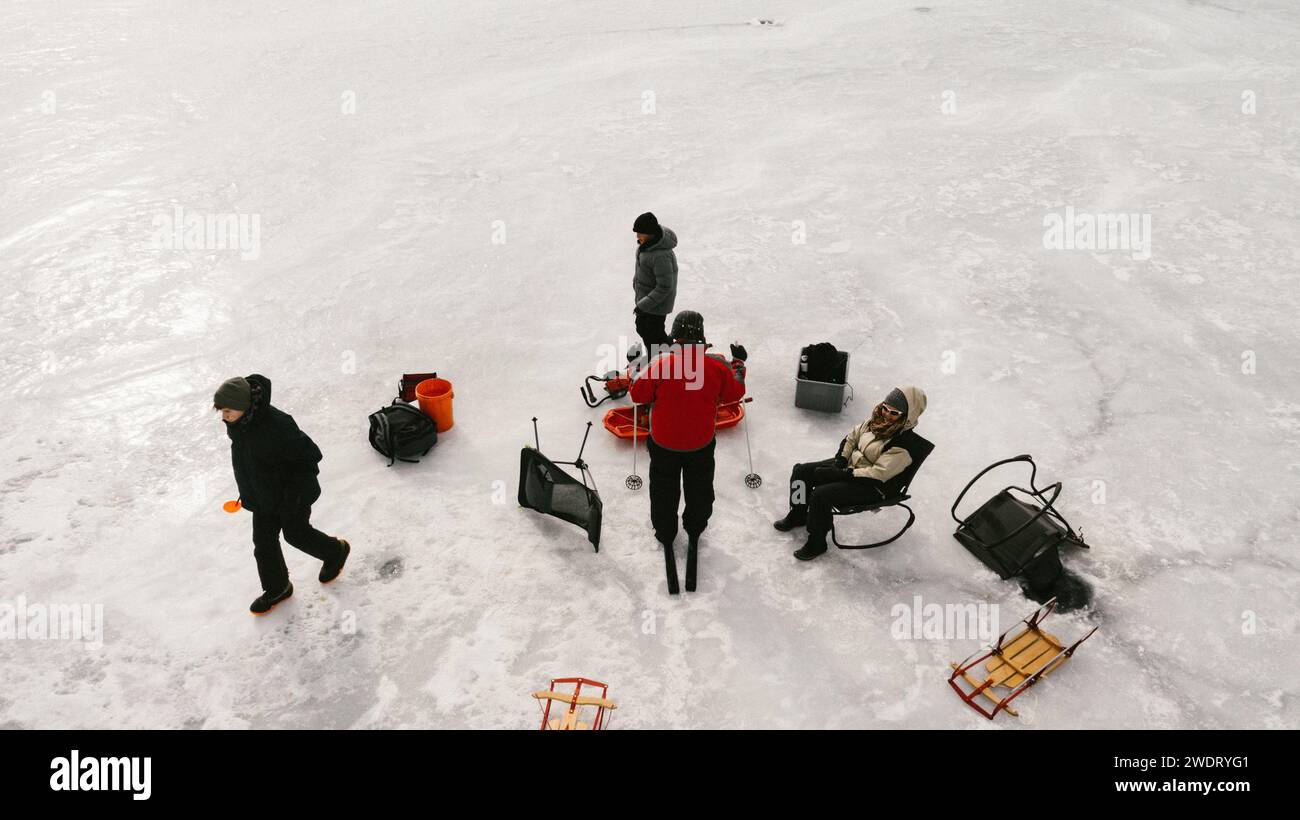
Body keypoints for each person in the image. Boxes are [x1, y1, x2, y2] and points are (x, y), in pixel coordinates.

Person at [629, 311, 746, 594]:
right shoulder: (716, 365)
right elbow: (735, 393)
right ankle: (695, 527)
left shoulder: (661, 364)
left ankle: (665, 531)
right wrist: (740, 363)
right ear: (701, 336)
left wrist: (634, 368)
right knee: (699, 488)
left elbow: (637, 395)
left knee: (663, 488)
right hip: (700, 444)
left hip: (664, 443)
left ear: (674, 334)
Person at [214, 374, 350, 615]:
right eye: (221, 411)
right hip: (262, 496)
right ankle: (278, 587)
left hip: (292, 494)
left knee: (296, 534)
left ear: (244, 406)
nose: (224, 417)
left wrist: (294, 497)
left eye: (227, 411)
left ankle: (335, 551)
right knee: (263, 542)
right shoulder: (240, 424)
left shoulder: (277, 425)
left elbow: (309, 456)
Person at [774, 386, 928, 561]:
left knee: (821, 495)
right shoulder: (875, 421)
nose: (886, 414)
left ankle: (817, 542)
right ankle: (798, 513)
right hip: (850, 467)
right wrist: (841, 459)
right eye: (885, 407)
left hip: (872, 486)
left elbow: (878, 473)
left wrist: (842, 474)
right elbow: (852, 437)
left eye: (894, 412)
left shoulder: (905, 445)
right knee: (801, 472)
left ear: (908, 416)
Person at [632, 212, 678, 357]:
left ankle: (662, 363)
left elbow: (665, 286)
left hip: (657, 305)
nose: (637, 236)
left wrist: (643, 305)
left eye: (640, 233)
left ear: (650, 233)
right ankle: (664, 356)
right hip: (646, 300)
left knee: (653, 335)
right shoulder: (646, 246)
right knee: (643, 329)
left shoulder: (660, 255)